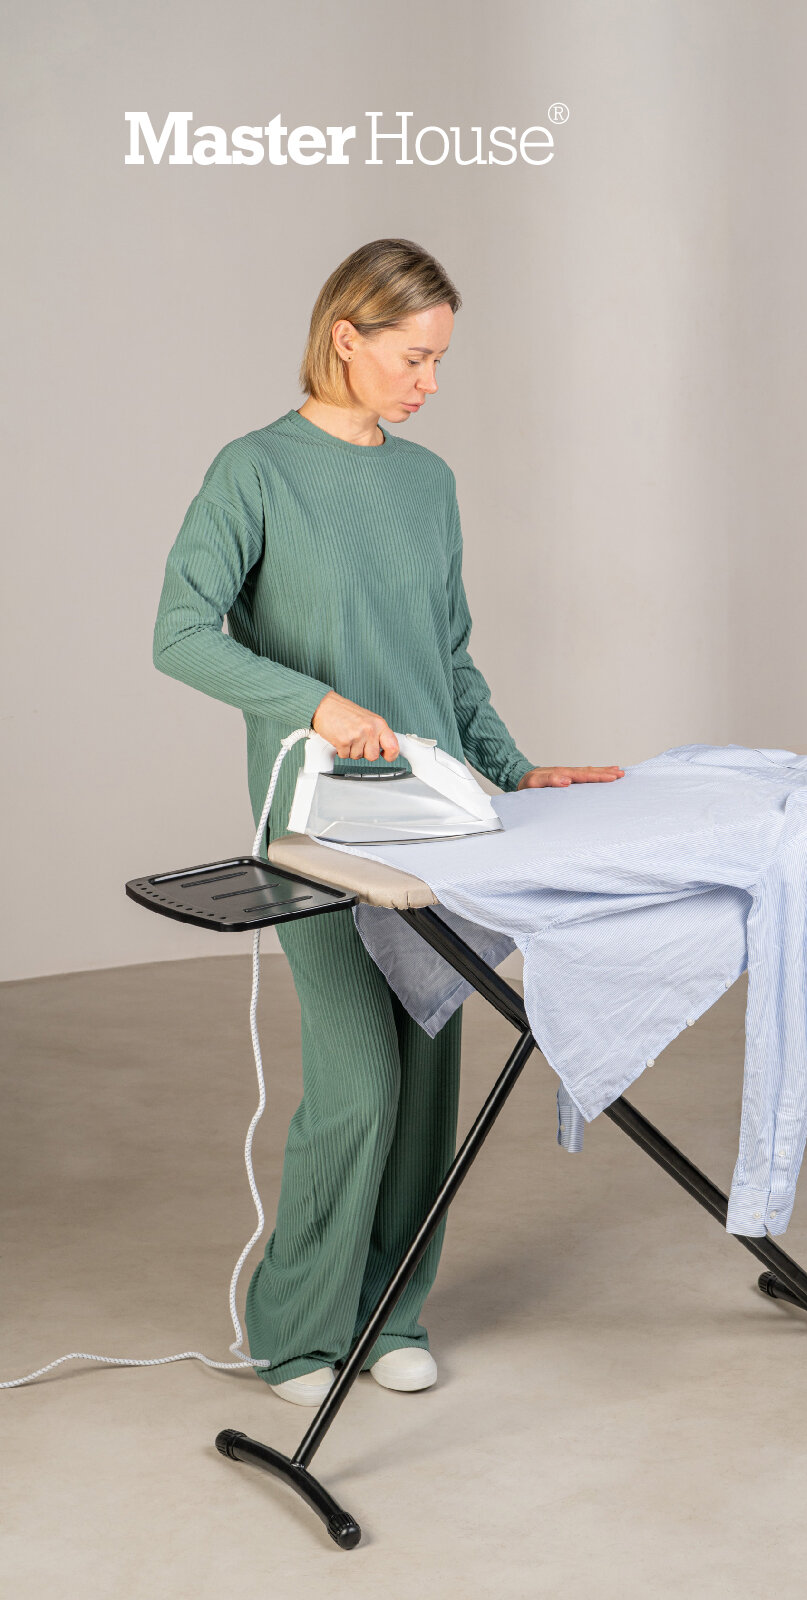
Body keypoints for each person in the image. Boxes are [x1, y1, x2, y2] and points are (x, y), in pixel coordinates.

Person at [153, 237, 624, 1406]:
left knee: (425, 1083)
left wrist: (516, 770)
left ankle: (391, 1311)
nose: (429, 382)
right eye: (413, 357)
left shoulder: (428, 483)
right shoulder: (255, 470)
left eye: (440, 361)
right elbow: (181, 632)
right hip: (317, 829)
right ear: (345, 338)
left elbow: (449, 658)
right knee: (359, 1085)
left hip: (436, 823)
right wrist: (313, 703)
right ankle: (296, 1332)